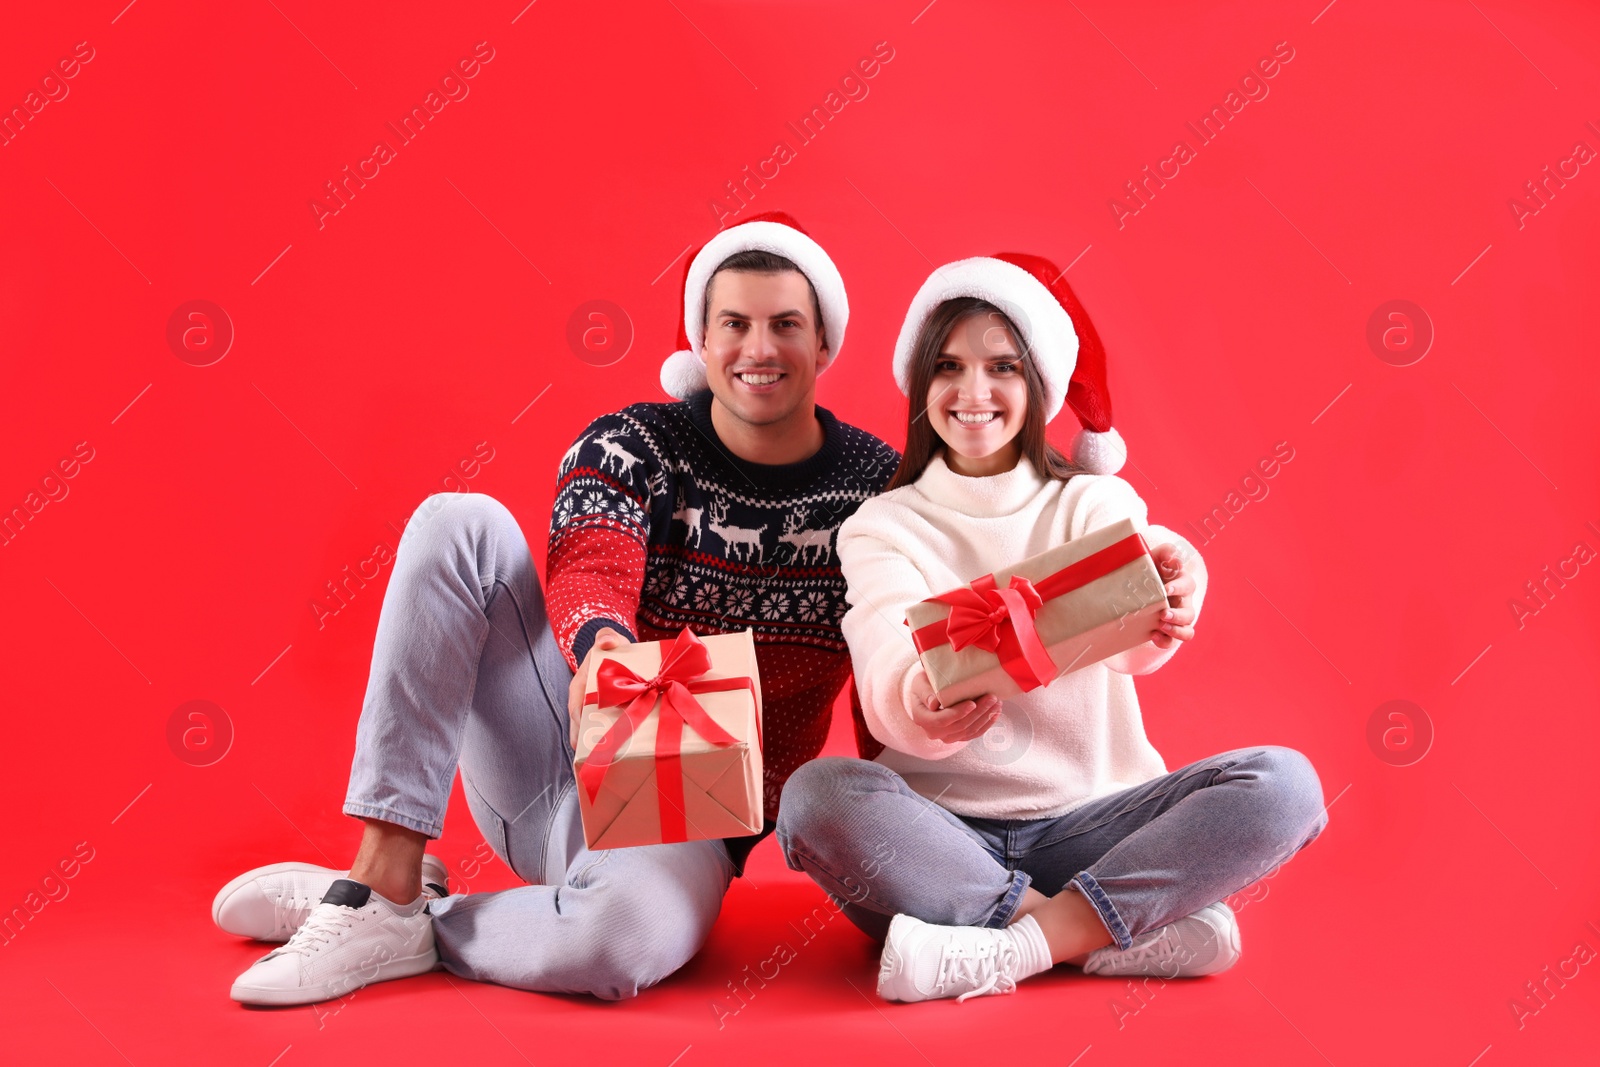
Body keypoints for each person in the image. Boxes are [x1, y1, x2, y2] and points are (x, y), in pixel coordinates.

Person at [212, 212, 900, 1005]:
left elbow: (887, 658)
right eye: (734, 323)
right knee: (458, 523)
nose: (759, 349)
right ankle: (385, 867)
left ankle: (405, 917)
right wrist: (603, 646)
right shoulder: (632, 444)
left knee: (615, 940)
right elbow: (591, 557)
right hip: (556, 760)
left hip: (689, 823)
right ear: (701, 343)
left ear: (824, 345)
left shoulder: (875, 490)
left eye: (785, 324)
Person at [776, 253, 1329, 1003]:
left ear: (1038, 383)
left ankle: (1011, 947)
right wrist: (918, 699)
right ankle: (1096, 934)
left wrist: (1174, 584)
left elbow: (1135, 628)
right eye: (949, 366)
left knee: (1285, 784)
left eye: (1002, 366)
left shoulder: (1092, 503)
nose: (974, 392)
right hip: (941, 839)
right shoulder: (885, 524)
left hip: (1094, 823)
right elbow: (883, 651)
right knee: (816, 797)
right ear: (920, 385)